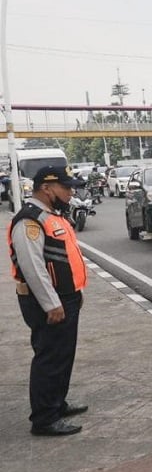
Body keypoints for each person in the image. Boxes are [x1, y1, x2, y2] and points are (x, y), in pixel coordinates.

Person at [7, 165, 89, 436]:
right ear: (46, 188)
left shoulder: (52, 215)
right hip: (49, 302)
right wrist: (50, 303)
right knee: (50, 357)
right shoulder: (30, 220)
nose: (70, 192)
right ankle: (44, 418)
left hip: (66, 297)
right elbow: (32, 267)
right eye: (65, 187)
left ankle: (57, 403)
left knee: (63, 355)